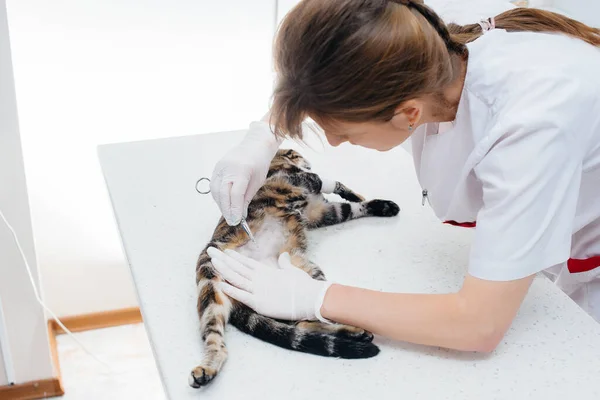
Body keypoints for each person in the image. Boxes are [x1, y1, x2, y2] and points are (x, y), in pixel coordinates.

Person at [207, 0, 600, 352]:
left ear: (408, 113)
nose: (332, 141)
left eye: (342, 132)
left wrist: (314, 298)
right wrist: (263, 136)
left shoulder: (529, 131)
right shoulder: (414, 32)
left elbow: (477, 324)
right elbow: (329, 63)